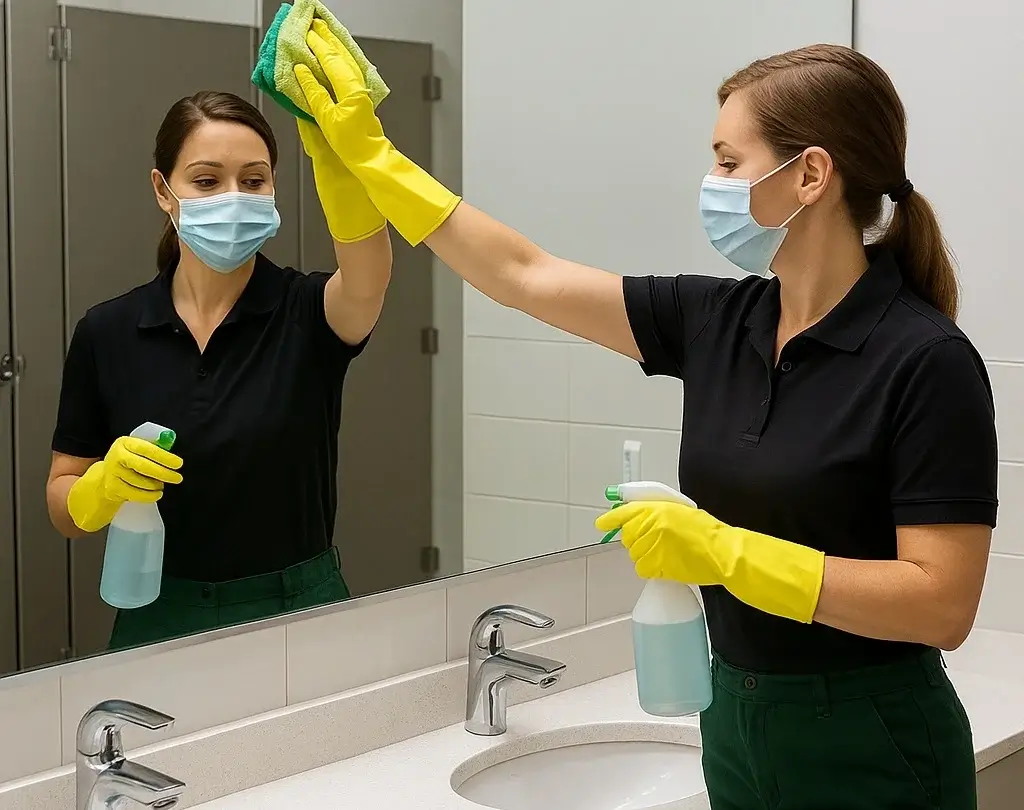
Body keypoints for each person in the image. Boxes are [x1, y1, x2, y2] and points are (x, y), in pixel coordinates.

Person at [296, 26, 995, 810]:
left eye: (730, 160)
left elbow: (941, 604)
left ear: (812, 175)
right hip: (734, 717)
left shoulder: (925, 360)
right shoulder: (719, 320)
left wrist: (726, 553)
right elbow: (523, 274)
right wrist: (372, 156)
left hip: (872, 739)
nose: (712, 180)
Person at [46, 90, 393, 650]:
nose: (233, 197)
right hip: (159, 612)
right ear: (164, 191)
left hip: (297, 610)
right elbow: (62, 501)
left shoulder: (308, 312)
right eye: (207, 181)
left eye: (254, 181)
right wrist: (99, 490)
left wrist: (343, 158)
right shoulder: (107, 331)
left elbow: (370, 275)